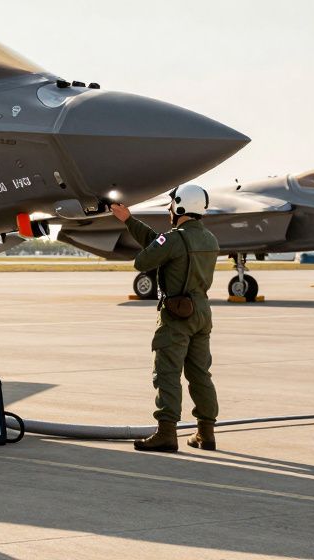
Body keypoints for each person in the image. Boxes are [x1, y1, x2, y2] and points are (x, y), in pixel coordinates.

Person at [111, 184, 220, 453]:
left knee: (167, 372)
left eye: (172, 205)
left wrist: (149, 237)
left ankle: (166, 433)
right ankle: (206, 433)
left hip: (177, 315)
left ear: (180, 206)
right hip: (202, 313)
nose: (170, 209)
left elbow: (143, 261)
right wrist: (129, 221)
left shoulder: (173, 239)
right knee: (200, 374)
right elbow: (162, 244)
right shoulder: (209, 239)